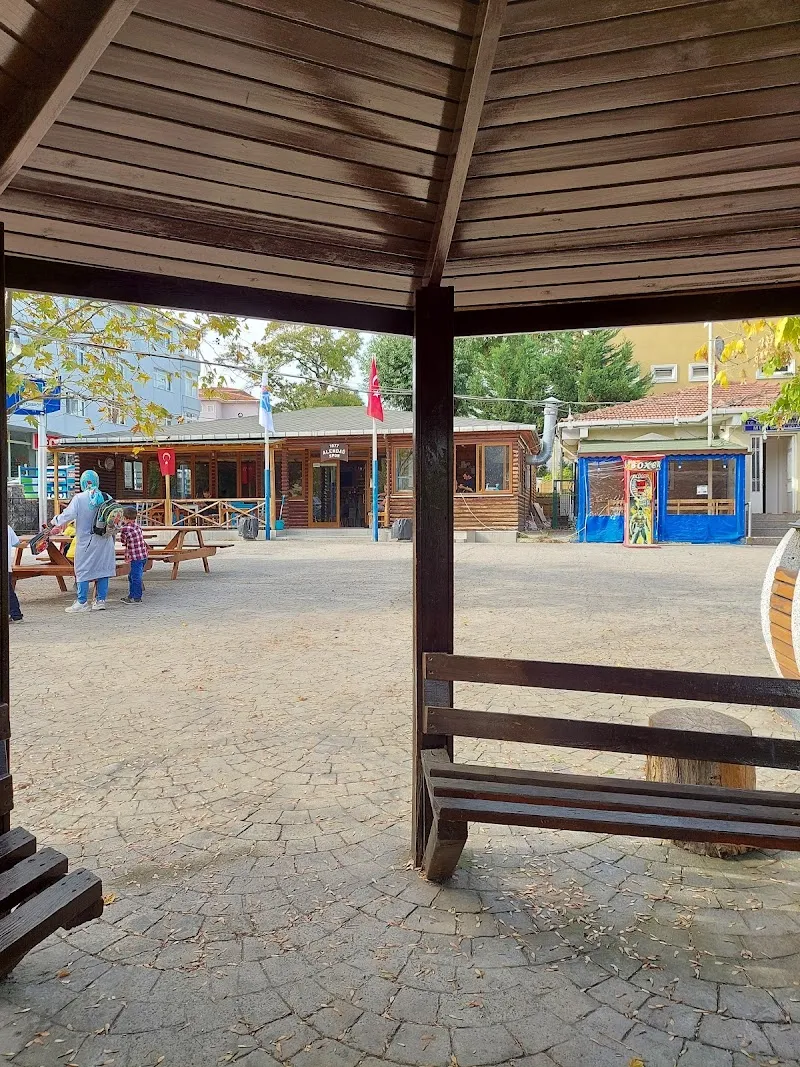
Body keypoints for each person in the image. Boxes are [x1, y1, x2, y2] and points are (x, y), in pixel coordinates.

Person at [51, 470, 117, 613]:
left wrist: (55, 521)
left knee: (82, 570)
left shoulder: (79, 498)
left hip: (86, 541)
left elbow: (67, 515)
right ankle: (100, 601)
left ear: (82, 482)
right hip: (105, 540)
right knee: (103, 570)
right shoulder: (107, 496)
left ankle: (82, 602)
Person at [118, 506, 148, 604]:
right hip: (143, 555)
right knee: (132, 576)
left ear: (124, 517)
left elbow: (123, 540)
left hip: (135, 557)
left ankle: (136, 597)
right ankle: (132, 595)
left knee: (135, 577)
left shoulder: (125, 529)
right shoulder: (137, 526)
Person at [7, 525, 23, 622]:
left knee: (8, 591)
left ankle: (15, 614)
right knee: (8, 591)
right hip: (6, 566)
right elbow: (16, 543)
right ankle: (15, 614)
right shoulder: (7, 527)